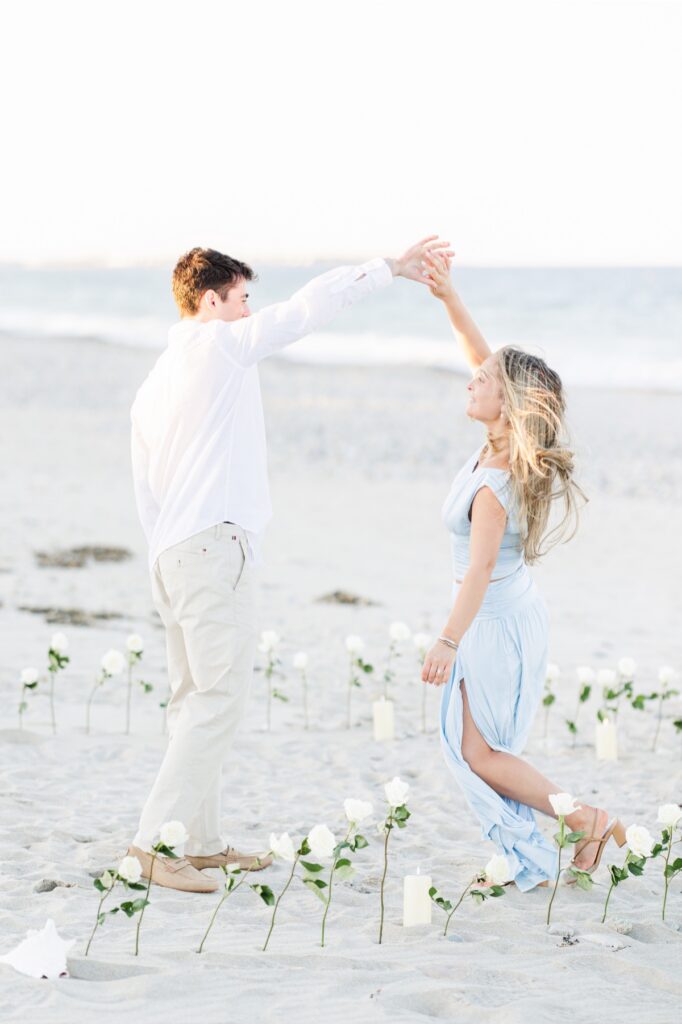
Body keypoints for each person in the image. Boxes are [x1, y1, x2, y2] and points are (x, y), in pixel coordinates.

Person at [127, 236, 453, 893]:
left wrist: (166, 551)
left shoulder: (157, 379)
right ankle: (151, 847)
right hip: (212, 549)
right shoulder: (219, 344)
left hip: (171, 551)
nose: (251, 310)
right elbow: (307, 309)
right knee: (216, 699)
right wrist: (387, 267)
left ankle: (199, 841)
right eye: (243, 299)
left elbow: (146, 488)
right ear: (210, 300)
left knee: (194, 701)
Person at [420, 252, 625, 891]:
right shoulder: (501, 443)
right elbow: (484, 357)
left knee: (480, 753)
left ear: (505, 401)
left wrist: (446, 642)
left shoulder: (498, 478)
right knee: (481, 751)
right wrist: (449, 296)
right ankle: (539, 844)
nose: (471, 381)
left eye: (482, 380)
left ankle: (585, 820)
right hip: (501, 613)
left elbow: (479, 569)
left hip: (491, 619)